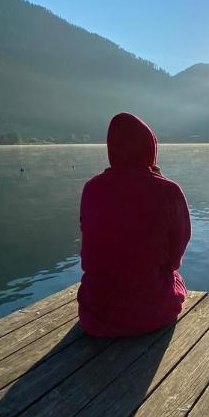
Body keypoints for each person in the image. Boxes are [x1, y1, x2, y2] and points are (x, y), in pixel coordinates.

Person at [77, 112, 191, 337]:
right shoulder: (169, 191)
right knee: (176, 281)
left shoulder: (91, 189)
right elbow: (177, 251)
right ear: (150, 147)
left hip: (96, 315)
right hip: (152, 315)